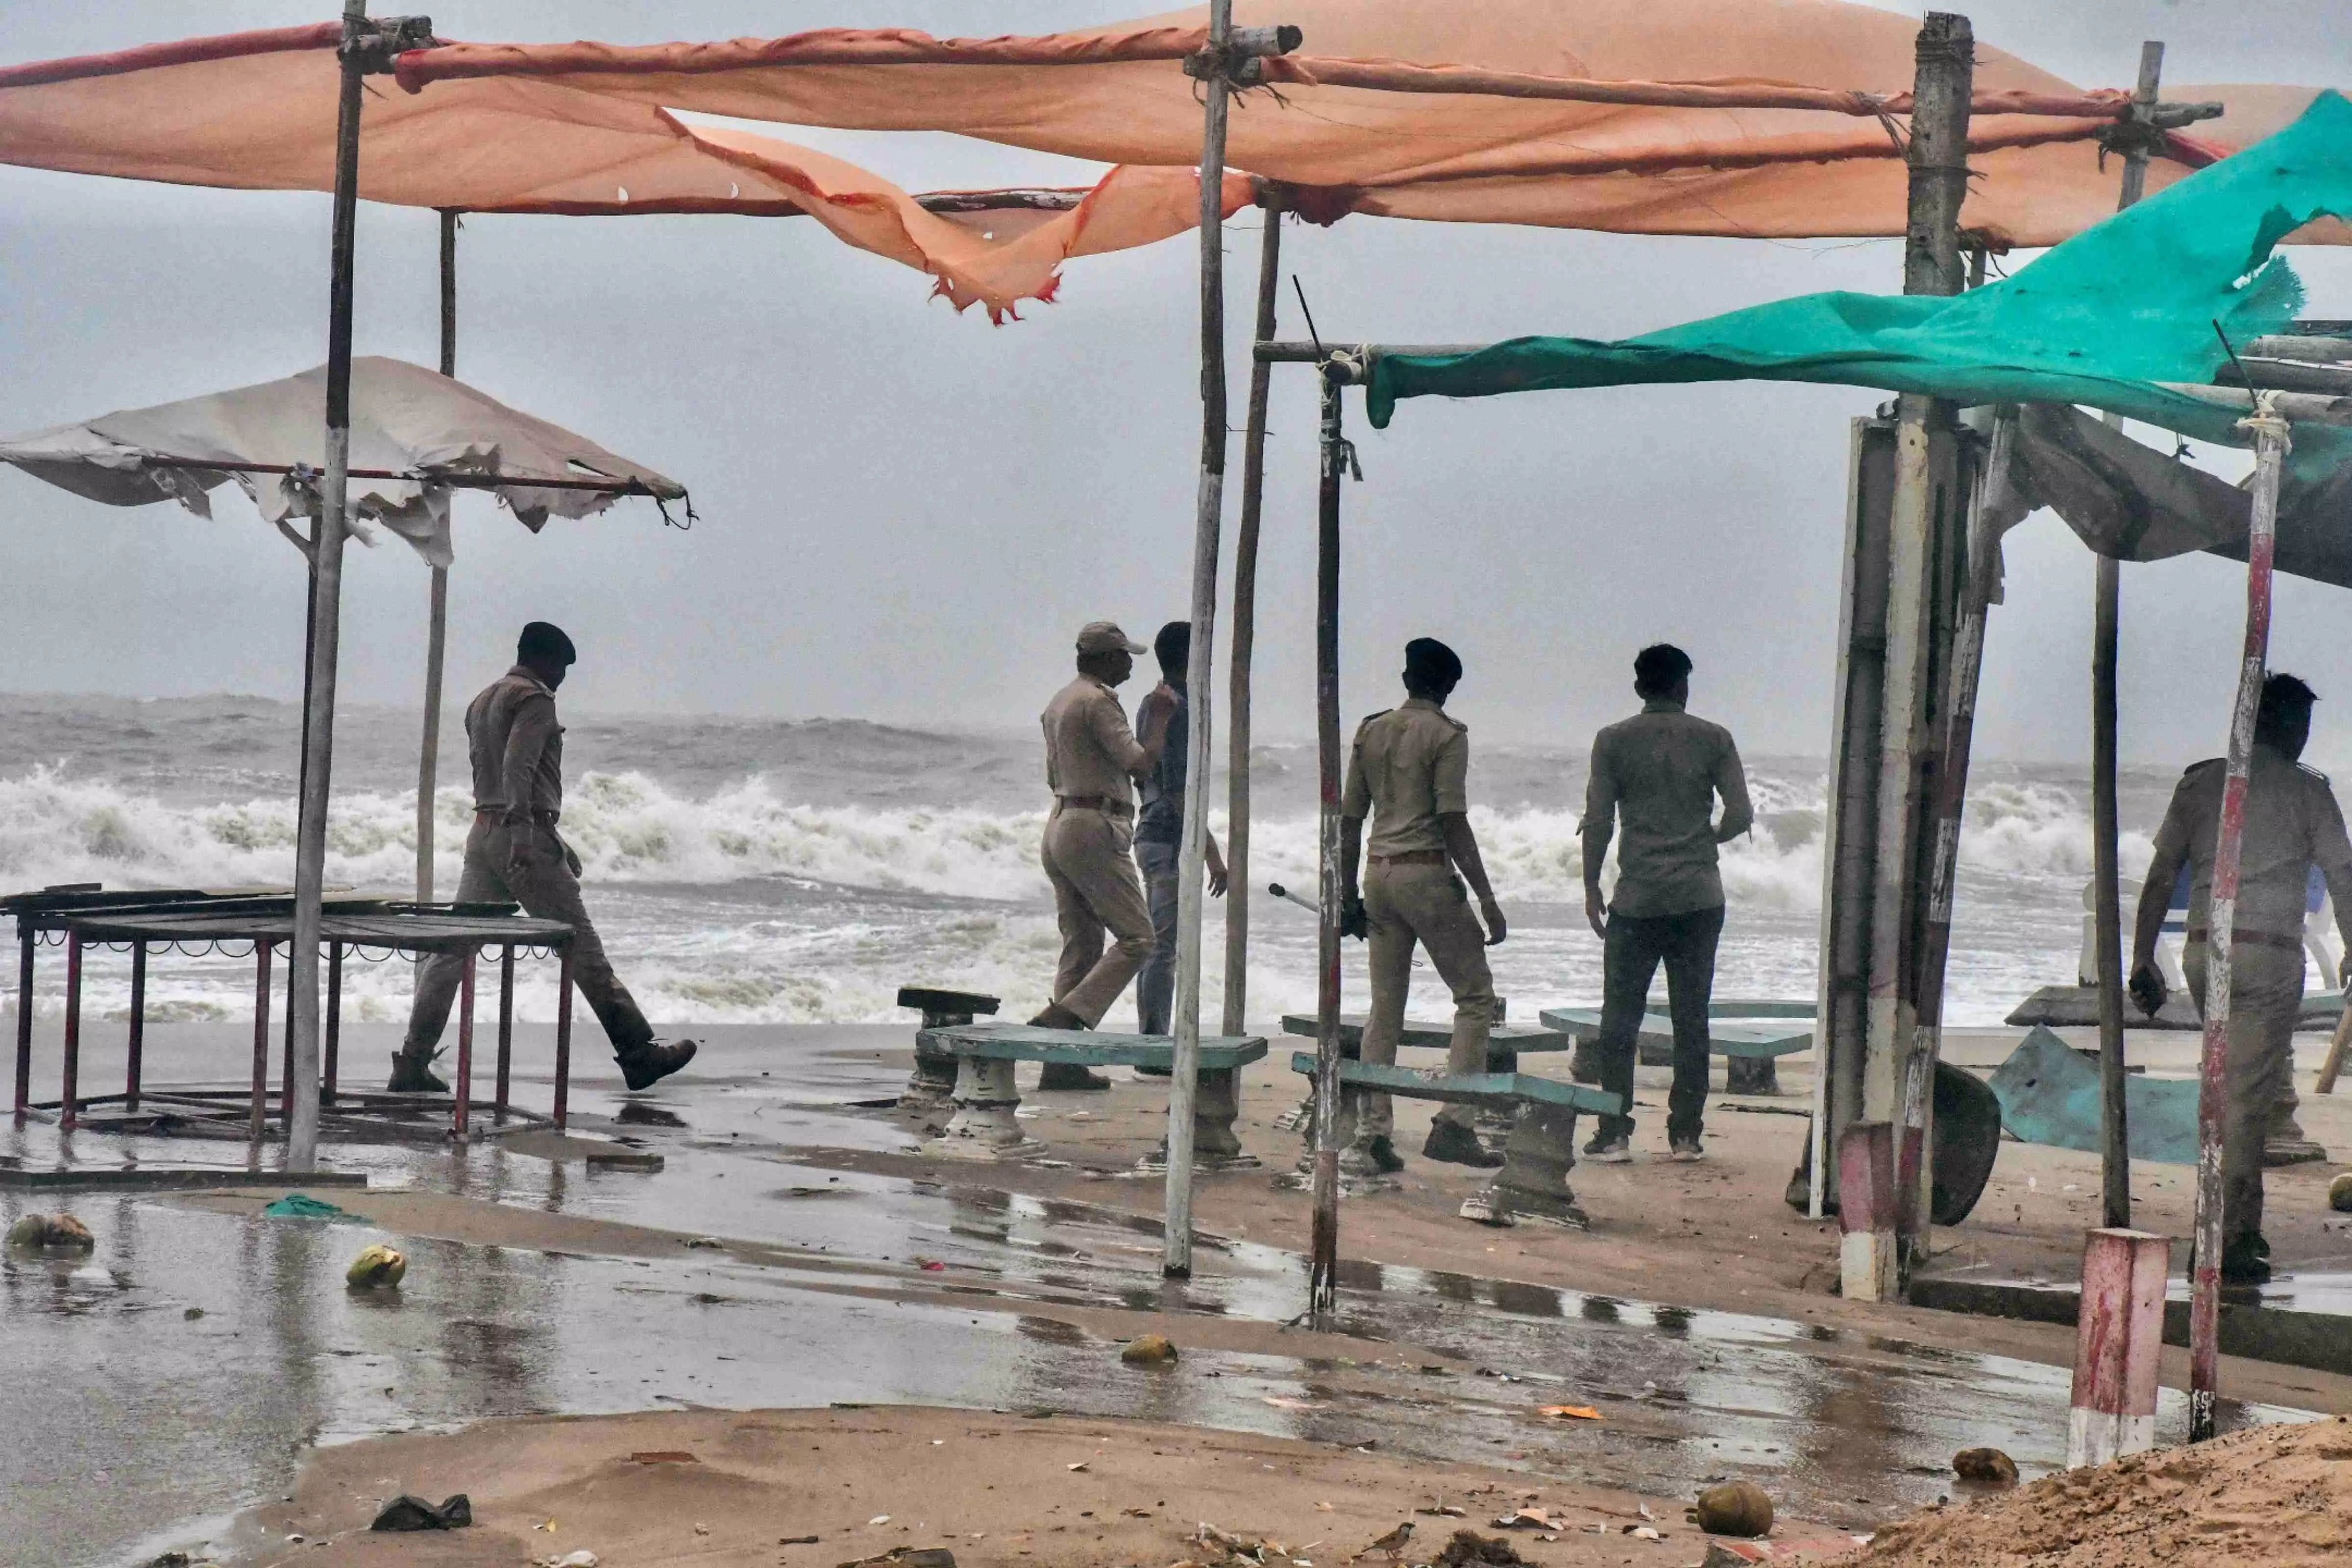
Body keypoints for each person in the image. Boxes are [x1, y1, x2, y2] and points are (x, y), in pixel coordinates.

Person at [390, 622, 696, 1094]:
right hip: (521, 837)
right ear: (547, 661)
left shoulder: (484, 699)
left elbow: (492, 773)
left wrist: (549, 838)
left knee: (450, 954)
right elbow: (519, 766)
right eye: (563, 669)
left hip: (483, 835)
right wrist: (526, 835)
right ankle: (639, 1053)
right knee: (581, 946)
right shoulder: (535, 699)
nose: (563, 680)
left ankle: (412, 1062)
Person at [2130, 673, 2352, 1284]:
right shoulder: (2311, 794)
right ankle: (2228, 1236)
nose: (2305, 739)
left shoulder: (2203, 783)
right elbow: (2343, 874)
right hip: (2270, 955)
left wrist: (2143, 956)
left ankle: (2223, 1225)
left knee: (2227, 1086)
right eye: (2301, 726)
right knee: (2245, 1102)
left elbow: (2159, 875)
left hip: (2205, 953)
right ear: (2284, 726)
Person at [1337, 637, 1507, 1172]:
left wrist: (1346, 895)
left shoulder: (1371, 729)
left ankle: (1372, 1133)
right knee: (1476, 996)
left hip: (1379, 872)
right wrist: (1486, 896)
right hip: (1426, 872)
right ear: (1448, 686)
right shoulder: (1447, 735)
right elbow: (1452, 819)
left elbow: (1348, 820)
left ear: (1407, 677)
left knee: (1385, 1006)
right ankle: (1455, 1121)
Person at [1579, 643, 1752, 1164]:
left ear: (1639, 688)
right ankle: (1685, 1135)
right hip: (1699, 898)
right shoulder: (1715, 738)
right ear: (1683, 686)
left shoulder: (1612, 740)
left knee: (1620, 1017)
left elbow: (1599, 821)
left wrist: (1591, 887)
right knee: (1691, 1016)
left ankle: (1613, 1130)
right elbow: (1741, 813)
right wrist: (1704, 841)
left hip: (1638, 898)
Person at [1032, 620, 1174, 1089]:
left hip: (1061, 821)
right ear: (1107, 659)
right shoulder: (1097, 701)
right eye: (1125, 657)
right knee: (1139, 939)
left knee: (1083, 944)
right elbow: (1140, 762)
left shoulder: (1061, 700)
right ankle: (1066, 1016)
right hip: (1096, 824)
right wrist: (1158, 719)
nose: (1131, 665)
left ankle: (1061, 1063)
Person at [1133, 621, 1229, 1045]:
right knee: (1163, 946)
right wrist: (1212, 854)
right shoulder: (1180, 707)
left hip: (1152, 832)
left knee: (1160, 944)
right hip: (1169, 836)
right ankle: (1153, 1043)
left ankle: (1154, 1037)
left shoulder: (1151, 703)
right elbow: (1178, 789)